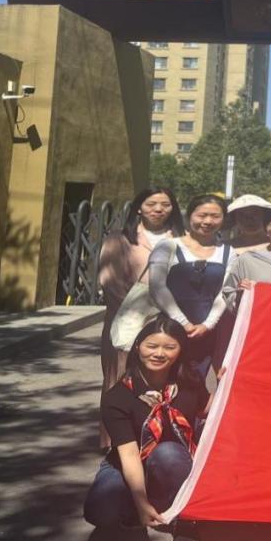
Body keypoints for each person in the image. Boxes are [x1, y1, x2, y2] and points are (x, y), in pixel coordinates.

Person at [84, 316, 216, 541]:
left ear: (181, 350)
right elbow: (129, 455)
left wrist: (230, 380)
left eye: (169, 347)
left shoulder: (189, 381)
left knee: (167, 453)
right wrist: (141, 502)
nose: (159, 354)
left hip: (173, 462)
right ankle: (137, 509)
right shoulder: (118, 397)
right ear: (138, 347)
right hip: (129, 462)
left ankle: (185, 519)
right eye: (152, 346)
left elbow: (209, 408)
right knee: (101, 510)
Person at [97, 187, 184, 450]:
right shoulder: (120, 239)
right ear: (138, 207)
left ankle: (161, 434)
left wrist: (170, 311)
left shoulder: (181, 239)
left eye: (165, 204)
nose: (158, 209)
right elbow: (110, 281)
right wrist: (144, 309)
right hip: (128, 317)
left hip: (169, 320)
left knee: (165, 376)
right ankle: (116, 440)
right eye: (151, 203)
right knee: (121, 375)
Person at [148, 194, 232, 379]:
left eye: (215, 216)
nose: (208, 221)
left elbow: (226, 291)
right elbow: (157, 286)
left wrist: (207, 325)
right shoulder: (167, 246)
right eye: (201, 215)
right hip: (169, 328)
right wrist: (183, 323)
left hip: (209, 331)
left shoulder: (229, 251)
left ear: (224, 219)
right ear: (189, 216)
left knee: (198, 381)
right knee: (165, 378)